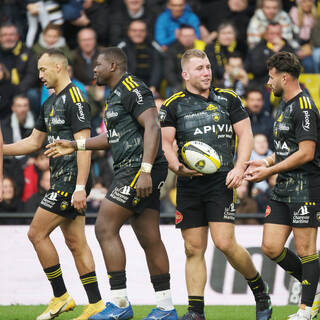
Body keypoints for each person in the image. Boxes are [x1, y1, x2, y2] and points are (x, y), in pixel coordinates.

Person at [45, 47, 178, 320]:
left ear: (114, 65)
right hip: (134, 168)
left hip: (138, 168)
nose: (94, 69)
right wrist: (74, 144)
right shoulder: (114, 95)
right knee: (149, 237)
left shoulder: (132, 87)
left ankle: (119, 304)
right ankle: (166, 308)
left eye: (98, 64)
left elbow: (153, 126)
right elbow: (111, 138)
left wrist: (145, 170)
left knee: (105, 227)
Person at [159, 48, 272, 320]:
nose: (207, 72)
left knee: (224, 243)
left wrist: (239, 167)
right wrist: (176, 166)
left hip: (222, 181)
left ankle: (259, 289)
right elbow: (165, 143)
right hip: (189, 182)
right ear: (185, 74)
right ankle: (196, 311)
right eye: (200, 68)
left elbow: (245, 134)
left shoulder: (228, 98)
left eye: (208, 67)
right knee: (192, 248)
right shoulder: (173, 104)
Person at [3, 49, 104, 320]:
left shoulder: (76, 99)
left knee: (36, 233)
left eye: (43, 70)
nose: (39, 75)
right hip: (61, 178)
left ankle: (61, 296)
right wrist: (3, 149)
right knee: (75, 241)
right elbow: (34, 143)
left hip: (72, 181)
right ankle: (96, 304)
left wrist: (81, 187)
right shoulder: (48, 102)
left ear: (59, 67)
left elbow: (84, 146)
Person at [245, 51, 320, 320]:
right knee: (271, 247)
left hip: (305, 188)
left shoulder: (305, 107)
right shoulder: (284, 106)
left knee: (306, 250)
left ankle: (306, 309)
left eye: (271, 77)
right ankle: (315, 287)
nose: (268, 82)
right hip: (283, 188)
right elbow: (285, 149)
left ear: (284, 77)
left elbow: (306, 152)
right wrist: (265, 162)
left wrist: (270, 172)